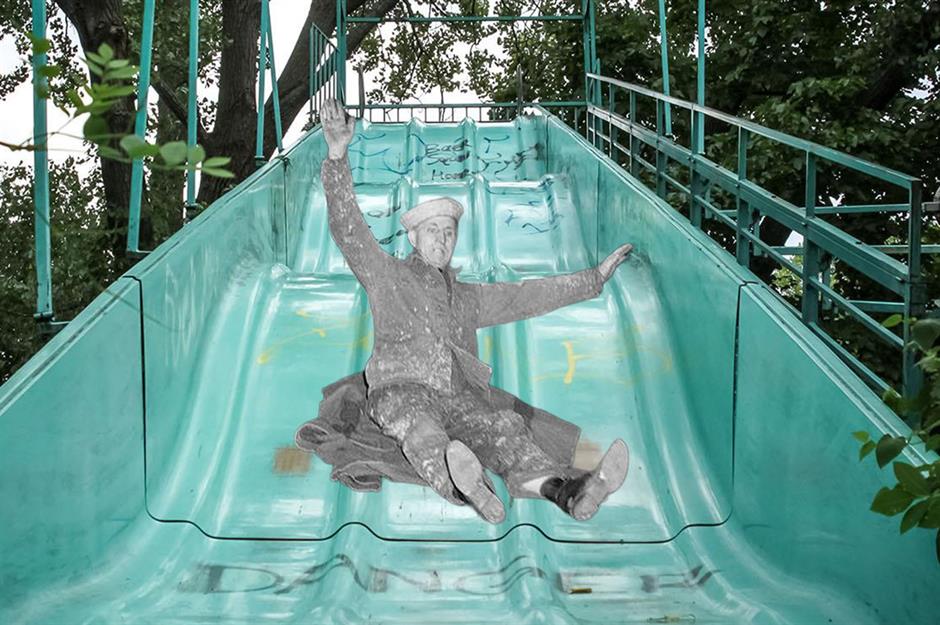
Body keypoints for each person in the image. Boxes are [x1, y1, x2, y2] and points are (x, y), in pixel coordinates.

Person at [303, 99, 634, 523]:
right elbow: (348, 229)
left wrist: (593, 279)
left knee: (504, 430)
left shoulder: (465, 297)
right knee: (421, 430)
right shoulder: (388, 275)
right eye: (432, 231)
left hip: (458, 397)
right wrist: (337, 155)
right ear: (413, 239)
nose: (442, 239)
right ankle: (468, 486)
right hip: (402, 388)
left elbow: (526, 296)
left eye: (449, 232)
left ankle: (565, 491)